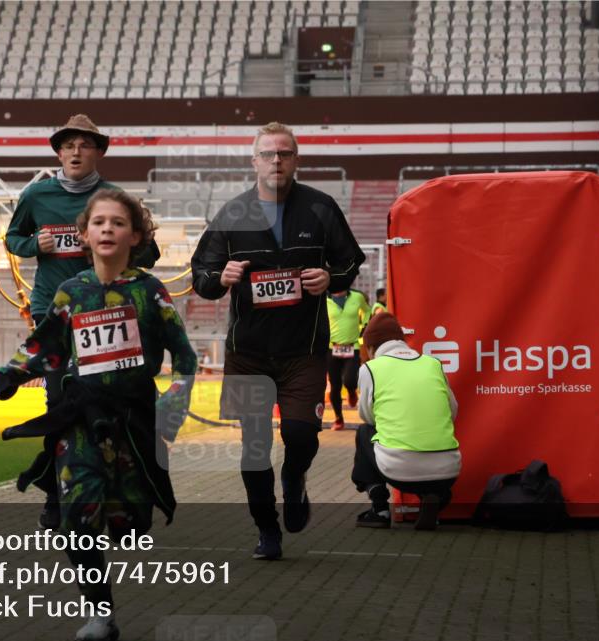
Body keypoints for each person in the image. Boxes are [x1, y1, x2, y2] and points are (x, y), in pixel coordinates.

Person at [0, 190, 196, 641]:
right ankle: (100, 613)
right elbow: (46, 342)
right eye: (98, 222)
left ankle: (122, 518)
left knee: (132, 520)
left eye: (118, 222)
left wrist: (173, 405)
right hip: (80, 417)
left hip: (134, 420)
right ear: (84, 235)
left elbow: (185, 356)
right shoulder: (72, 292)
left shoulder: (150, 291)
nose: (107, 229)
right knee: (77, 516)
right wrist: (11, 372)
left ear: (136, 235)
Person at [190, 121, 366, 560]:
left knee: (301, 435)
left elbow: (350, 262)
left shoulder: (321, 208)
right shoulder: (232, 213)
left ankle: (295, 476)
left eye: (284, 153)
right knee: (253, 448)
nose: (276, 161)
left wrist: (330, 277)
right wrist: (220, 277)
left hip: (304, 351)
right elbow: (201, 276)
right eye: (268, 154)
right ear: (255, 161)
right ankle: (267, 529)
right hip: (247, 354)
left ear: (296, 159)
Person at [5, 114, 159, 529]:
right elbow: (12, 239)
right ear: (58, 152)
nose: (76, 151)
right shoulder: (37, 196)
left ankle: (114, 496)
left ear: (99, 152)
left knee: (110, 407)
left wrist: (135, 241)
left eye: (85, 145)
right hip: (53, 313)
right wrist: (33, 243)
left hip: (105, 315)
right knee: (59, 403)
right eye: (68, 145)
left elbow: (149, 255)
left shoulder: (116, 198)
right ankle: (56, 495)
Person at [352, 312, 461, 531]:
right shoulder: (433, 364)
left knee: (365, 432)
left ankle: (380, 508)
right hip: (448, 471)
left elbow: (368, 416)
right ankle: (434, 498)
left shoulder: (370, 369)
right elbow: (452, 411)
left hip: (398, 470)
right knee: (429, 454)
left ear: (372, 347)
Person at [326, 288, 371, 430]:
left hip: (353, 346)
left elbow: (367, 311)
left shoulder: (357, 297)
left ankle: (352, 392)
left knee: (350, 380)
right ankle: (338, 418)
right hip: (332, 347)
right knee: (335, 386)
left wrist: (364, 326)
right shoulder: (324, 300)